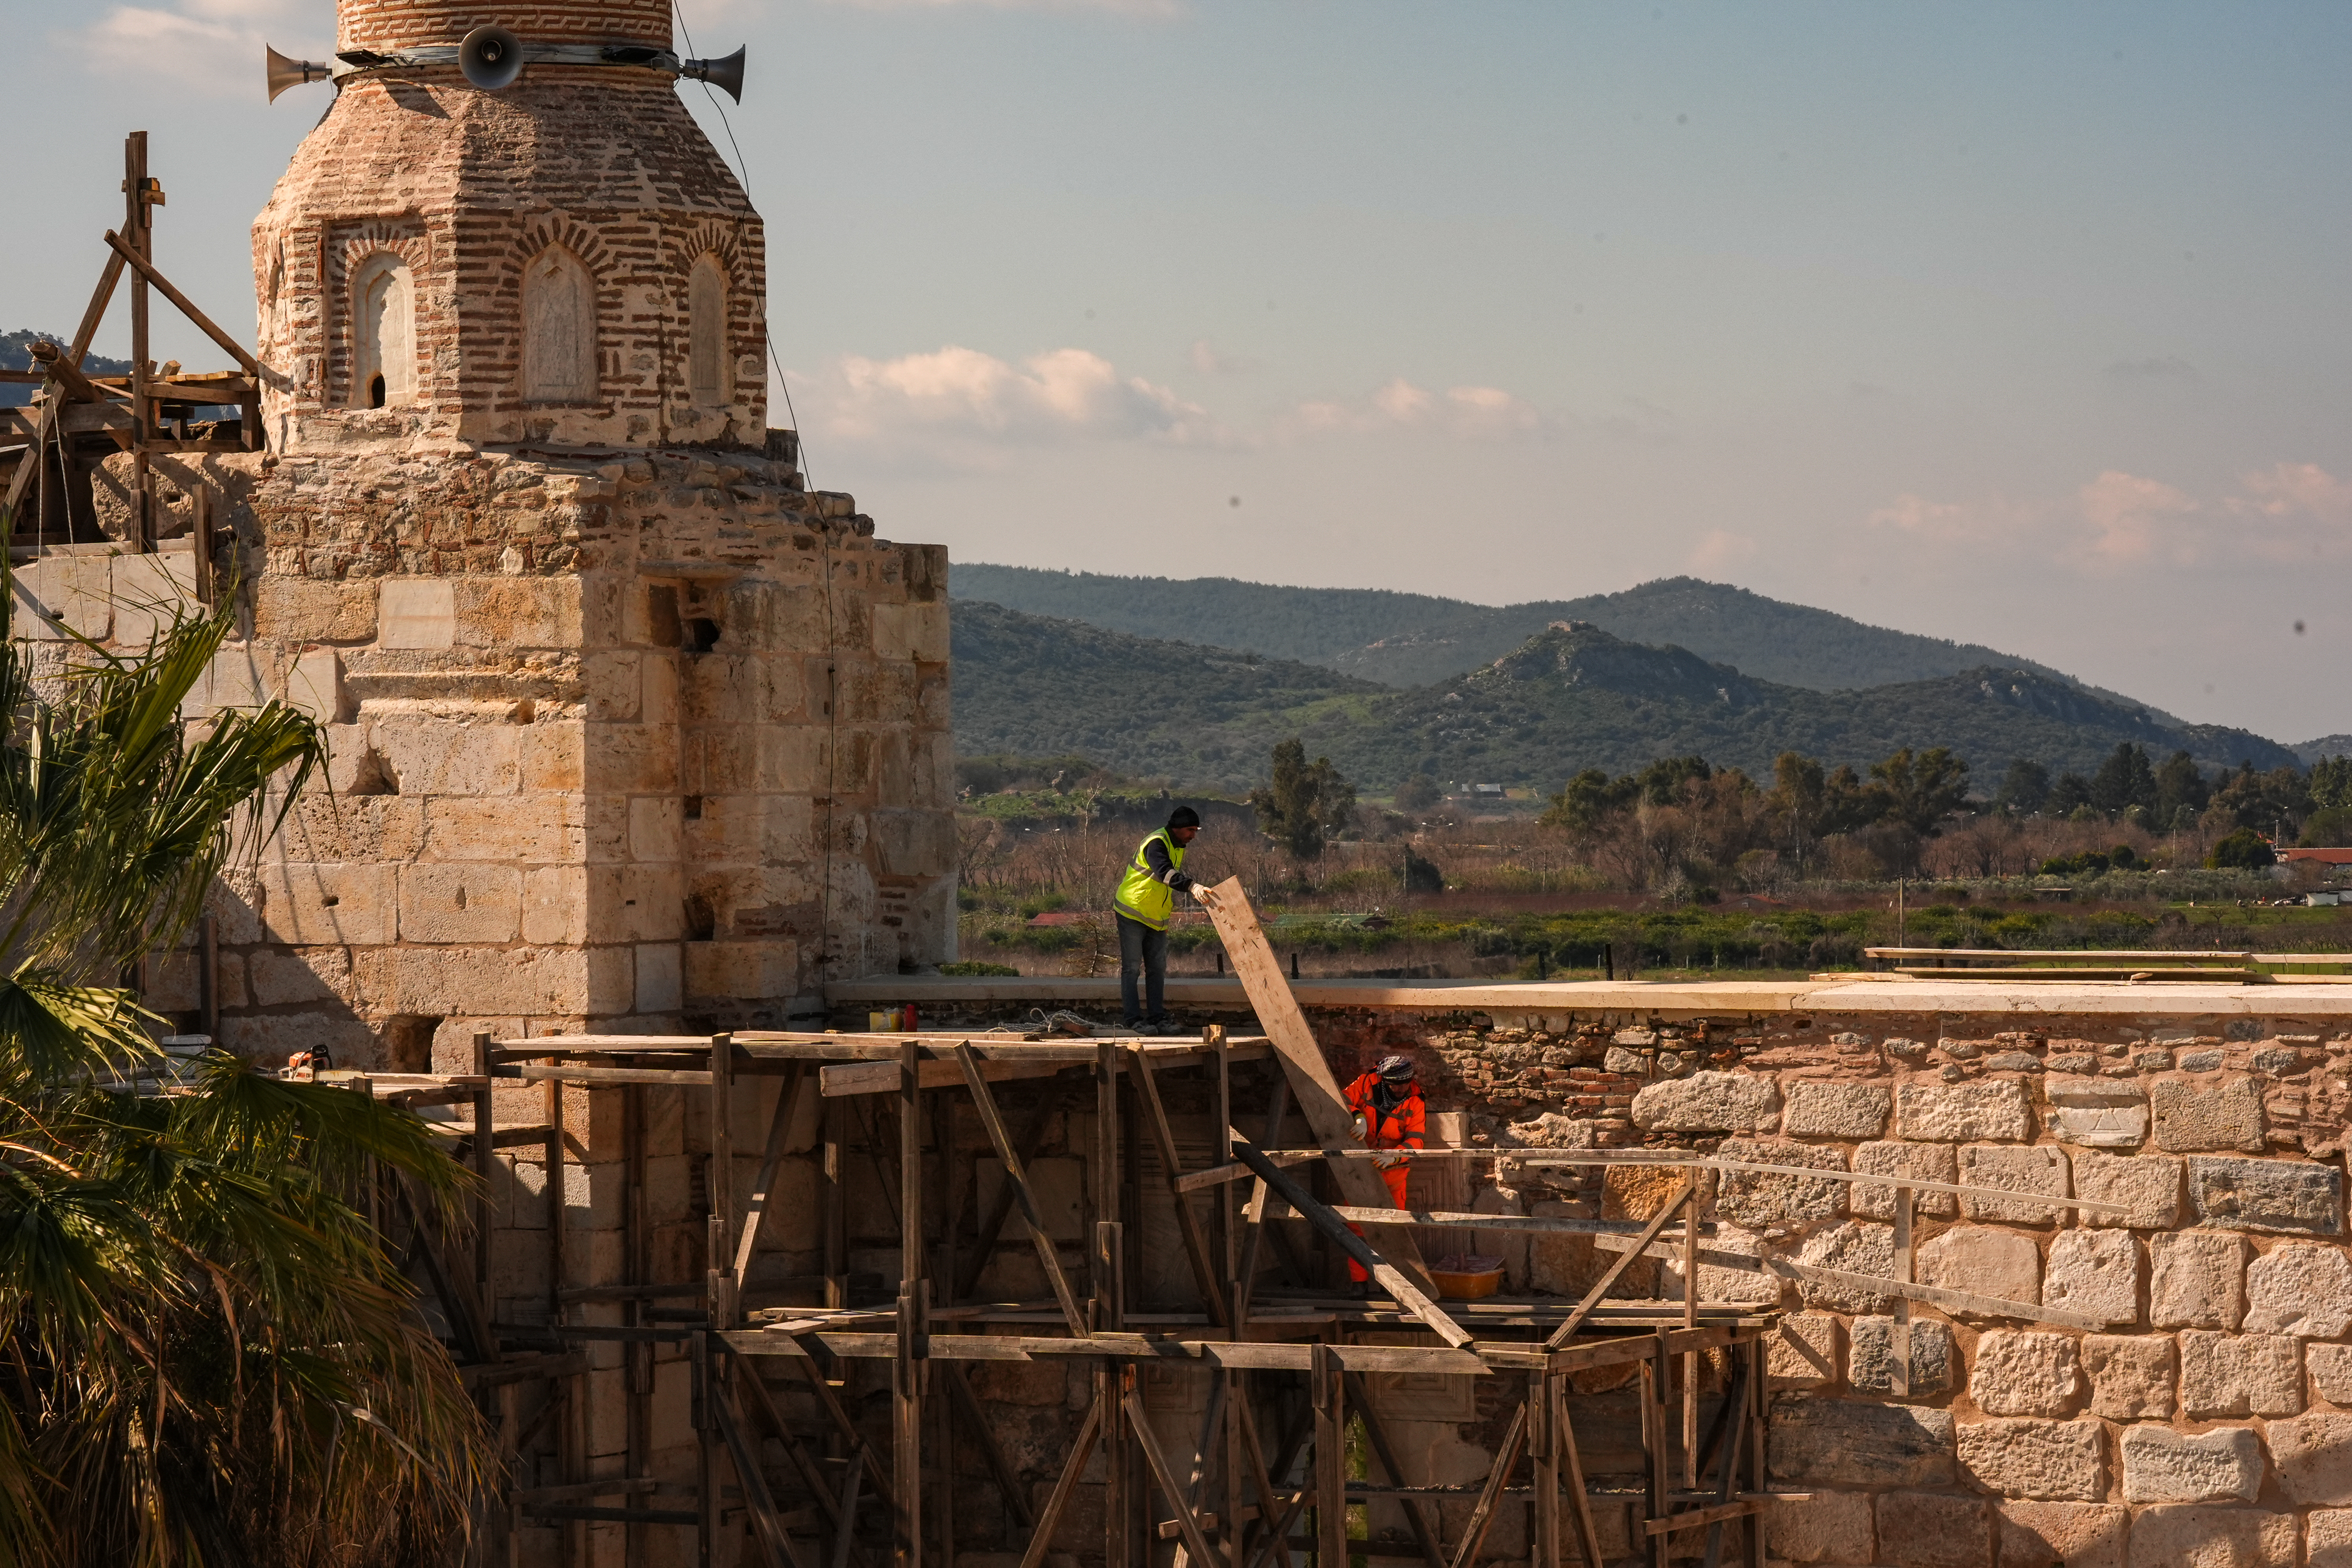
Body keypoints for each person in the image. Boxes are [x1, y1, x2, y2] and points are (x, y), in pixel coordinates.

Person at [1112, 806, 1204, 1035]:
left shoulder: (1177, 845)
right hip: (1133, 910)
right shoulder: (1157, 843)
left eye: (1195, 830)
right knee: (1132, 969)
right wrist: (1192, 886)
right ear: (1177, 828)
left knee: (1157, 969)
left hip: (1156, 916)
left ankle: (1157, 1018)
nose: (1193, 835)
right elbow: (1165, 873)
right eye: (1190, 830)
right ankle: (1134, 1020)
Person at [1339, 1054, 1425, 1293]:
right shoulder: (1366, 1083)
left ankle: (1393, 1287)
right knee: (1357, 1228)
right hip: (1359, 1171)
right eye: (1395, 1085)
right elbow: (1339, 1100)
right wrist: (1358, 1117)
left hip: (1394, 1173)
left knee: (1393, 1229)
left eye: (1405, 1084)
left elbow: (1416, 1140)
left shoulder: (1416, 1101)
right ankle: (1359, 1285)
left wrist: (1394, 1155)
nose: (1401, 1089)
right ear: (1383, 1080)